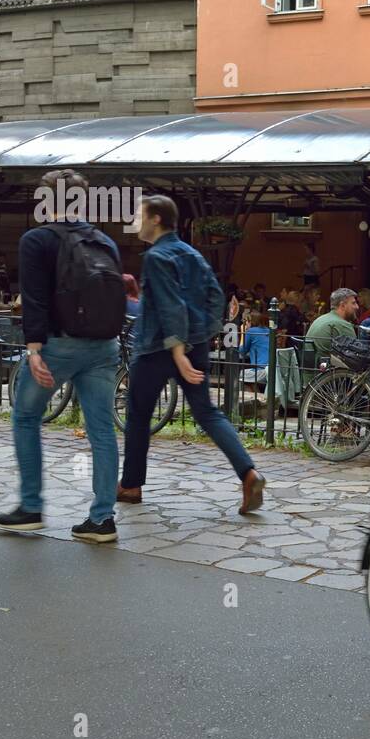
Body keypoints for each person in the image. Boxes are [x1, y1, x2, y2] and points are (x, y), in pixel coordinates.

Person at [0, 169, 126, 542]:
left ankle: (31, 507)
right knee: (101, 431)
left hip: (58, 346)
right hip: (103, 347)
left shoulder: (37, 240)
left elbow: (34, 299)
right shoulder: (105, 242)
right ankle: (102, 519)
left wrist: (34, 349)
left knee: (24, 417)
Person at [116, 195, 266, 515]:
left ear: (156, 219)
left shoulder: (157, 256)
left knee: (139, 415)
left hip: (159, 347)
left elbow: (172, 305)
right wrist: (202, 337)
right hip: (193, 345)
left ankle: (130, 485)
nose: (136, 221)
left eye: (140, 215)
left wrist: (179, 351)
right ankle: (248, 473)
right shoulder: (192, 254)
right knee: (207, 413)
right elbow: (216, 297)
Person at [306, 287, 359, 359]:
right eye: (353, 303)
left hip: (312, 368)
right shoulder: (342, 325)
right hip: (326, 368)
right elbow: (357, 356)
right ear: (342, 305)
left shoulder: (321, 318)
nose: (357, 307)